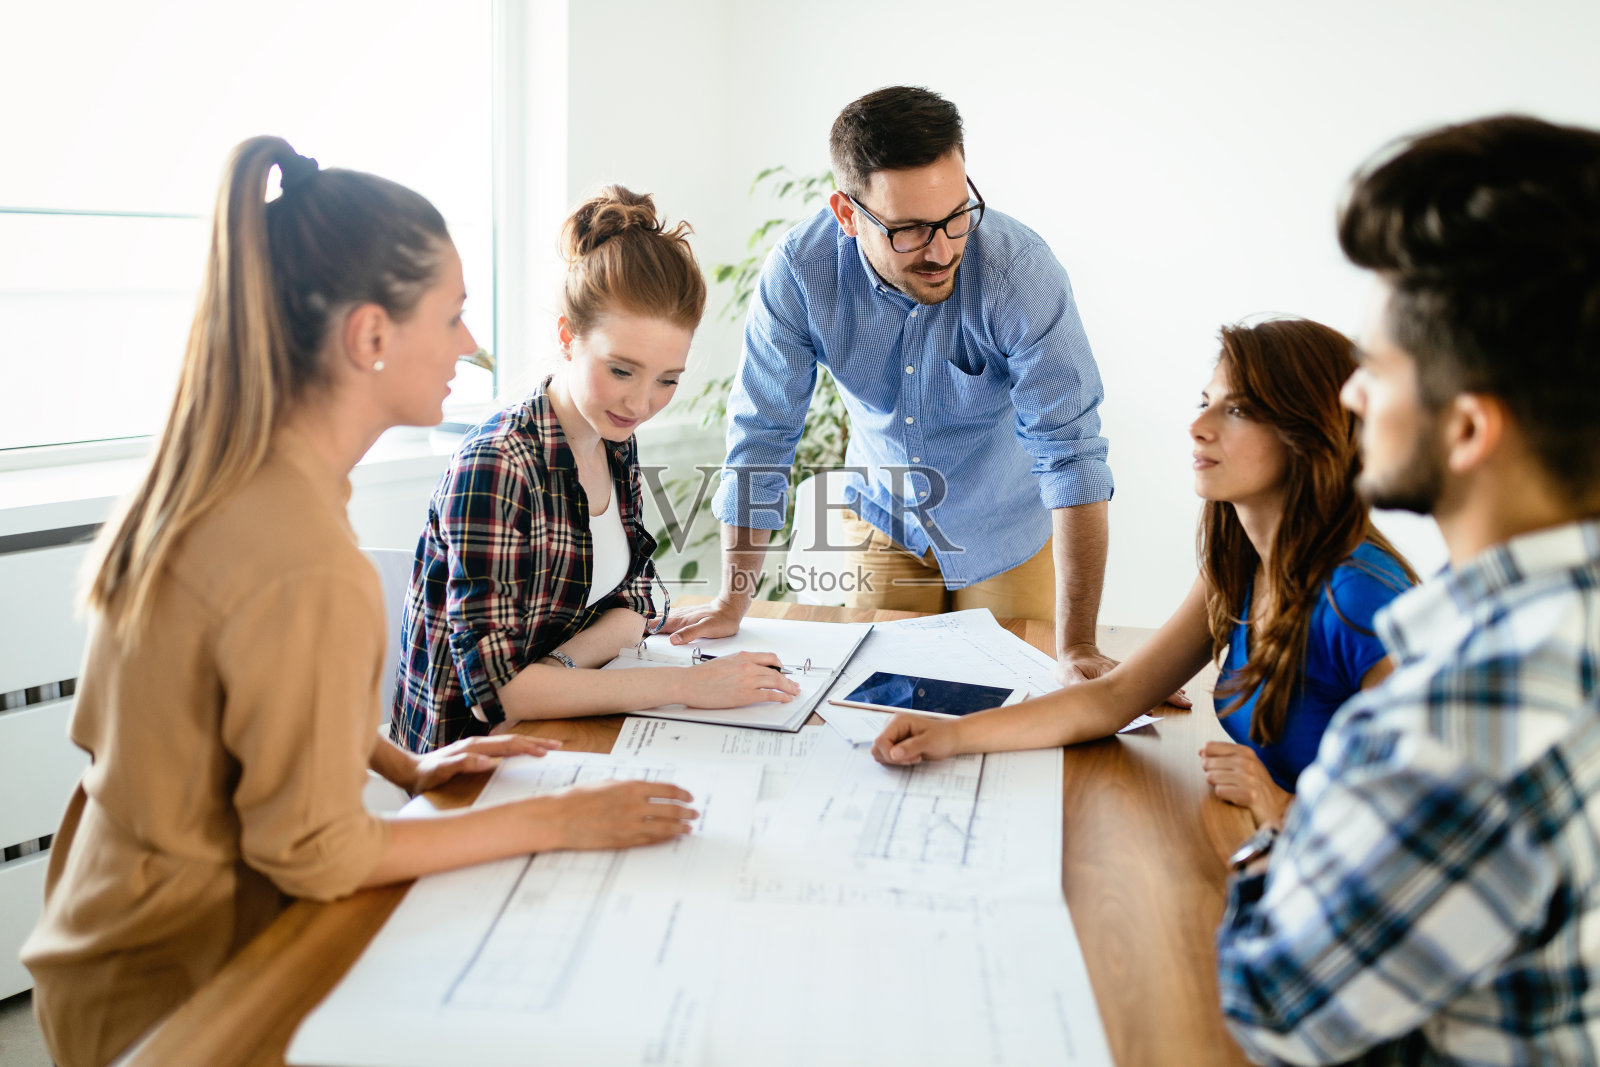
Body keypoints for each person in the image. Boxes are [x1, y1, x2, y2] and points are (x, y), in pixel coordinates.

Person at [19, 139, 698, 1067]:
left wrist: (403, 766)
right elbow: (317, 854)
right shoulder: (304, 557)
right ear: (371, 337)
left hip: (101, 916)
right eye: (454, 317)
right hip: (172, 972)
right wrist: (561, 819)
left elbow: (234, 704)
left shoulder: (233, 476)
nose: (471, 345)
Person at [1215, 116, 1600, 1064]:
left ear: (1468, 430)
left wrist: (1282, 840)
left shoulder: (1462, 715)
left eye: (1377, 367)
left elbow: (1275, 1003)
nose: (1350, 397)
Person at [872, 318, 1416, 825]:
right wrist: (952, 736)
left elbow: (1430, 810)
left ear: (1311, 433)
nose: (1198, 426)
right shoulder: (1239, 564)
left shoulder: (1363, 599)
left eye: (1239, 411)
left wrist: (1282, 803)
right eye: (1206, 402)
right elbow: (1114, 698)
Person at [662, 86, 1121, 687]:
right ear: (848, 216)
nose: (942, 250)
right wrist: (732, 599)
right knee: (868, 695)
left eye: (956, 217)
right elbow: (763, 435)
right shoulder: (802, 272)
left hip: (1005, 528)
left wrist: (1080, 642)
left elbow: (1073, 455)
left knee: (1018, 700)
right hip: (880, 515)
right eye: (909, 230)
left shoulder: (1020, 274)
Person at [390, 187, 799, 755]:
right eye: (621, 369)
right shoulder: (498, 466)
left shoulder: (611, 437)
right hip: (470, 761)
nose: (641, 403)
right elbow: (500, 695)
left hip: (563, 729)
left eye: (667, 379)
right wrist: (686, 684)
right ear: (567, 337)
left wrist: (561, 665)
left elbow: (636, 603)